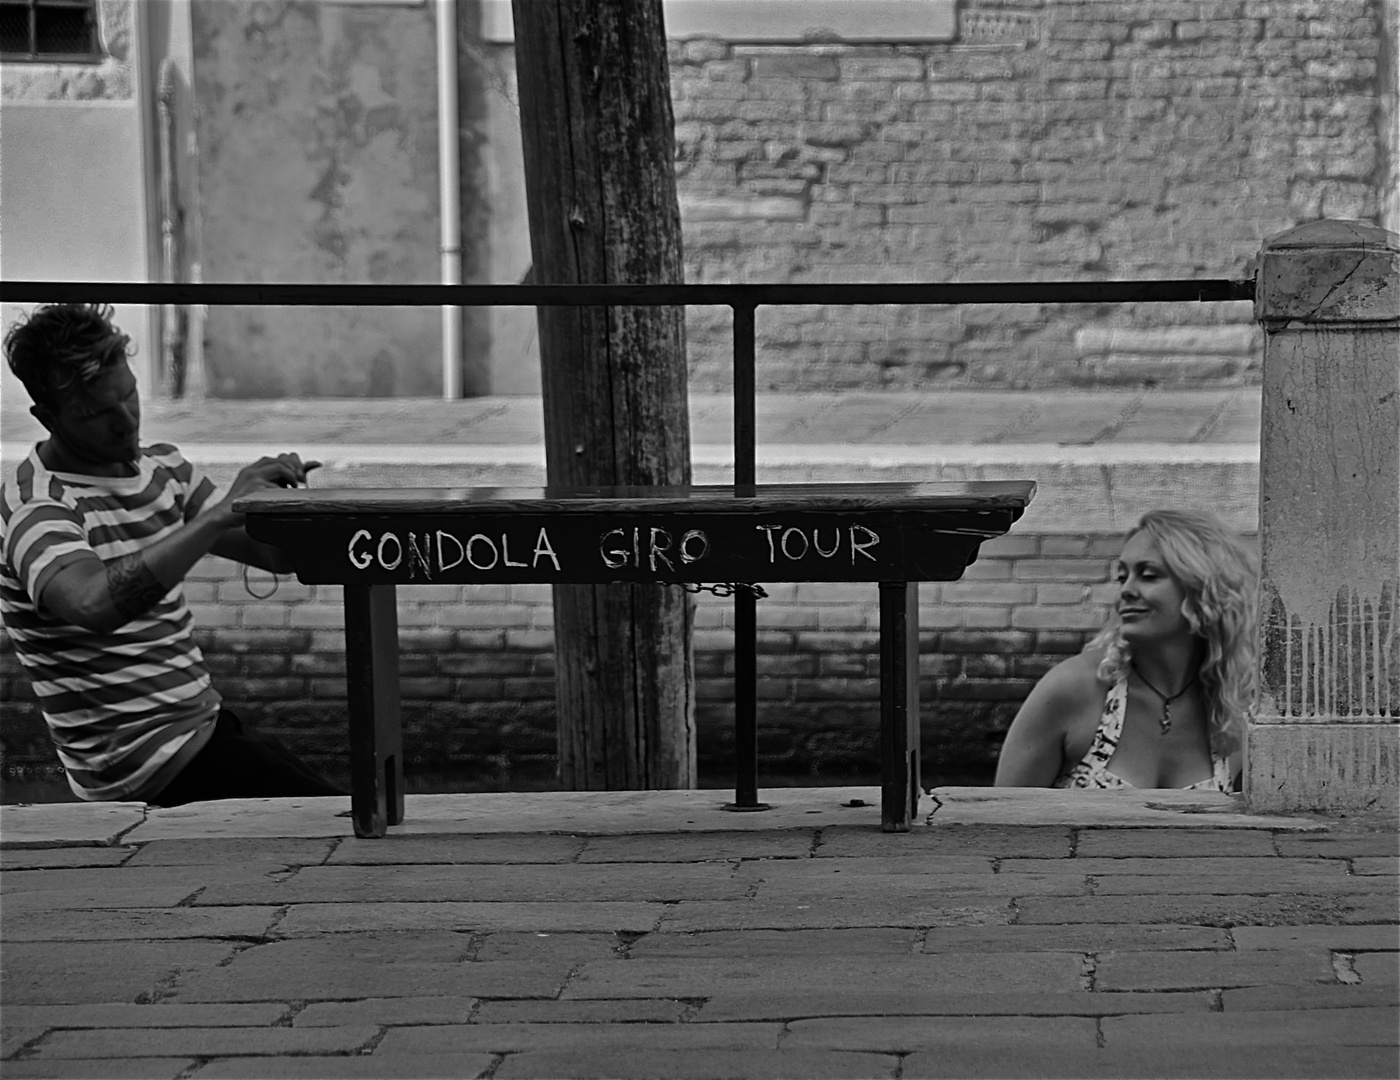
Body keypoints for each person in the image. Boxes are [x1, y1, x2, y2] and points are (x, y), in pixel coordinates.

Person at [1, 303, 346, 805]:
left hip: (204, 732)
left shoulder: (163, 469)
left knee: (348, 808)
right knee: (344, 826)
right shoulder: (39, 506)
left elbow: (275, 556)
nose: (125, 423)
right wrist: (217, 515)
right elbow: (92, 606)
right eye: (98, 413)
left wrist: (278, 501)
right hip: (143, 766)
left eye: (129, 396)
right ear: (46, 417)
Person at [994, 509, 1256, 792]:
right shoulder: (1074, 690)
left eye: (1149, 575)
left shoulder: (1235, 708)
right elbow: (1000, 825)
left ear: (1205, 590)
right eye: (1122, 577)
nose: (1126, 591)